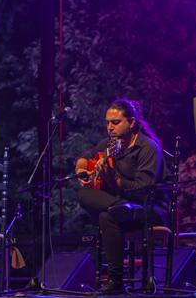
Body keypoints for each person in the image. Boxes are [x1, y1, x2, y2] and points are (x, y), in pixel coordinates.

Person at [75, 99, 166, 294]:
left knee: (106, 216)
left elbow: (144, 190)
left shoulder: (147, 148)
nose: (110, 127)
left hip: (149, 208)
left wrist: (115, 180)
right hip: (121, 207)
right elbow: (85, 155)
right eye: (107, 122)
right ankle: (116, 281)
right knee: (84, 194)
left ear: (132, 123)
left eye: (115, 122)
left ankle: (115, 280)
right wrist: (83, 171)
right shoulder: (111, 145)